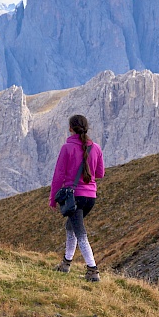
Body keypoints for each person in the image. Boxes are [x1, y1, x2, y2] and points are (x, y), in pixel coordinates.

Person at [49, 114, 106, 282]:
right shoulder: (96, 148)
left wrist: (53, 199)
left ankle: (92, 270)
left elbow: (58, 177)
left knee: (81, 233)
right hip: (91, 197)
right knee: (71, 226)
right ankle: (66, 263)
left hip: (74, 197)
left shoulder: (67, 148)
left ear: (70, 129)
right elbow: (100, 174)